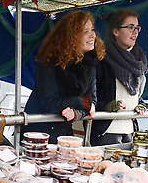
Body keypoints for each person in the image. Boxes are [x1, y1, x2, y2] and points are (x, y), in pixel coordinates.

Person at [21, 11, 104, 144]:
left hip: (63, 132)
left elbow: (91, 103)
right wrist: (81, 103)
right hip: (38, 132)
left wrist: (77, 113)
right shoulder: (50, 63)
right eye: (85, 31)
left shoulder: (90, 65)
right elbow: (49, 104)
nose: (93, 35)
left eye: (92, 30)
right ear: (71, 37)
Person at [91, 9, 148, 146]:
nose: (135, 32)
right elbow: (88, 96)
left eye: (137, 28)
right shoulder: (100, 59)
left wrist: (141, 104)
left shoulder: (140, 61)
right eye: (130, 27)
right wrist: (106, 107)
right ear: (115, 31)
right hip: (106, 132)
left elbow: (135, 94)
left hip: (130, 130)